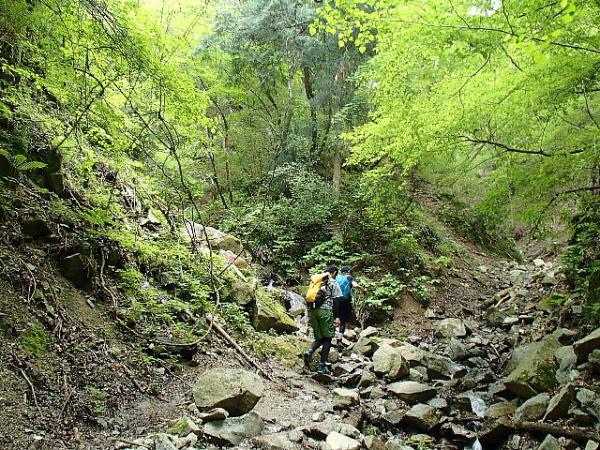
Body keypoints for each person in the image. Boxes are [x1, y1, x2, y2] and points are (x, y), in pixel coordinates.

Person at [303, 264, 343, 374]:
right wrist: (337, 317)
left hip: (314, 311)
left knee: (320, 337)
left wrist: (308, 317)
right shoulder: (332, 282)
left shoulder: (316, 281)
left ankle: (309, 350)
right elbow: (336, 301)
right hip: (325, 311)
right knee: (328, 337)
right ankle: (322, 365)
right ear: (334, 272)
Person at [334, 266, 367, 333]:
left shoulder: (336, 277)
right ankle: (339, 338)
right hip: (345, 301)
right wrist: (363, 290)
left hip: (335, 300)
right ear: (349, 271)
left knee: (335, 318)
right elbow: (355, 285)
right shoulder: (349, 277)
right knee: (343, 320)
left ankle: (330, 336)